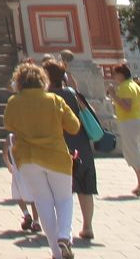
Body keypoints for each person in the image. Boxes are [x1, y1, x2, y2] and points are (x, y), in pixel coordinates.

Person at [3, 60, 79, 257]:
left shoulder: (14, 102)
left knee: (43, 203)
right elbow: (74, 126)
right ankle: (64, 235)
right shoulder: (54, 100)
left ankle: (56, 251)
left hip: (28, 159)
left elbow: (8, 125)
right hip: (57, 157)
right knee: (64, 199)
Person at [43, 61, 97, 243]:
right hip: (80, 145)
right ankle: (88, 226)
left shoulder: (46, 97)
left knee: (59, 191)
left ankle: (62, 229)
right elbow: (91, 112)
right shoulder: (73, 94)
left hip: (59, 147)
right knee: (85, 187)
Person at [111, 62, 140, 198]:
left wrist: (113, 95)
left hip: (128, 122)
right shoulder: (135, 85)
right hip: (138, 120)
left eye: (115, 74)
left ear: (121, 74)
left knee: (134, 154)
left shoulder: (124, 87)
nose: (113, 76)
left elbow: (126, 106)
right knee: (131, 153)